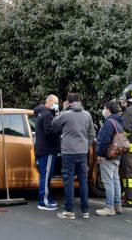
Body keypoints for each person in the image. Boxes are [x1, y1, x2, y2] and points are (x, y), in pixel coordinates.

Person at [52, 92, 96, 220]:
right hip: (82, 153)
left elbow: (54, 123)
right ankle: (85, 211)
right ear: (79, 101)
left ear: (68, 102)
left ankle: (69, 210)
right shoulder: (87, 115)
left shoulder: (66, 114)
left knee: (69, 181)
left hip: (68, 153)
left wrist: (64, 109)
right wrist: (86, 146)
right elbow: (92, 134)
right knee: (83, 181)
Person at [95, 100, 124, 216]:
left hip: (108, 156)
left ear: (108, 110)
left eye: (104, 109)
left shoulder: (108, 123)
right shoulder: (118, 122)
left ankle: (109, 207)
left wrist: (100, 155)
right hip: (116, 156)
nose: (104, 111)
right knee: (115, 180)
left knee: (108, 182)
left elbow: (105, 141)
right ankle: (117, 206)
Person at [34, 94, 60, 211]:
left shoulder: (42, 113)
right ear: (50, 103)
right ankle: (43, 202)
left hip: (43, 149)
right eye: (56, 103)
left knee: (46, 176)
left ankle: (47, 198)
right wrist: (60, 130)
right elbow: (49, 132)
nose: (57, 105)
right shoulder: (47, 115)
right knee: (46, 176)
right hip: (47, 150)